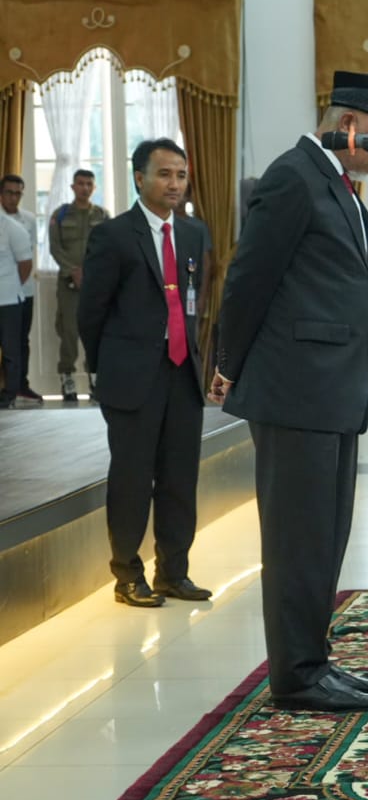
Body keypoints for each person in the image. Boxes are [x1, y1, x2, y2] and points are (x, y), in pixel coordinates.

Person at [212, 71, 368, 712]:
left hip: (331, 392)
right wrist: (228, 364)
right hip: (293, 391)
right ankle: (295, 676)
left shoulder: (343, 189)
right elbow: (248, 278)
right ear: (348, 126)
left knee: (325, 535)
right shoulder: (293, 176)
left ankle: (315, 660)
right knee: (297, 538)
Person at [77, 139, 211, 608]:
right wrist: (106, 368)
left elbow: (197, 303)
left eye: (180, 174)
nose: (174, 183)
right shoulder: (113, 235)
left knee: (180, 478)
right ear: (139, 178)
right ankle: (127, 574)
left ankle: (174, 571)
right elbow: (91, 311)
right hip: (132, 379)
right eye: (164, 174)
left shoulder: (194, 233)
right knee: (133, 479)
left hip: (182, 375)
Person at [49, 169, 109, 403]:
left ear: (94, 188)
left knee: (95, 332)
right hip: (68, 284)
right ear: (72, 187)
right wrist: (72, 270)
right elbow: (55, 248)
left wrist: (91, 272)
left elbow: (108, 248)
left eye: (89, 184)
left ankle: (95, 380)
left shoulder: (103, 216)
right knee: (69, 332)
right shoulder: (61, 214)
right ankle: (68, 381)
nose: (84, 188)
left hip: (96, 285)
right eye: (80, 184)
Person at [1, 175, 41, 404]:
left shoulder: (28, 220)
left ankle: (19, 386)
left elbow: (27, 259)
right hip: (6, 291)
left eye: (18, 193)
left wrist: (12, 284)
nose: (13, 197)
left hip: (22, 291)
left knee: (18, 341)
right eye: (9, 192)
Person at [0, 203, 31, 409]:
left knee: (11, 350)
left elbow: (25, 264)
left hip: (8, 300)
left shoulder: (12, 228)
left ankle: (9, 394)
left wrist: (11, 286)